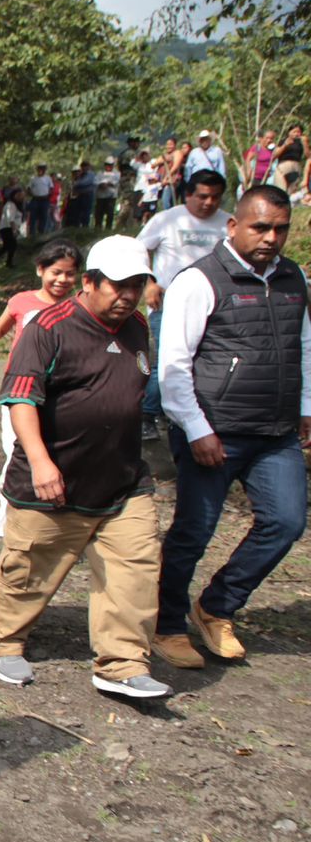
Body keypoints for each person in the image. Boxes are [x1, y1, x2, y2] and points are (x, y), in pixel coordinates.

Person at [0, 235, 171, 699]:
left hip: (122, 479)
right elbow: (20, 399)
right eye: (118, 286)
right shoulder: (49, 327)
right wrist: (42, 463)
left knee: (136, 570)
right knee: (30, 569)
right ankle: (5, 641)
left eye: (136, 285)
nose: (127, 295)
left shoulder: (137, 325)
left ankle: (122, 662)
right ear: (89, 282)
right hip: (54, 480)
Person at [152, 184, 309, 669]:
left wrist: (306, 404)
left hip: (276, 433)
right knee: (193, 532)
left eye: (280, 229)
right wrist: (196, 429)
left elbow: (304, 345)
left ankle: (217, 606)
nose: (270, 238)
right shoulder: (199, 281)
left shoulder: (293, 277)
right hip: (214, 431)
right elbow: (173, 366)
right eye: (260, 227)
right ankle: (166, 623)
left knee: (286, 522)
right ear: (234, 226)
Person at [0, 240, 85, 535]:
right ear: (40, 270)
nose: (62, 279)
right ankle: (6, 516)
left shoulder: (78, 309)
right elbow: (1, 327)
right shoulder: (21, 302)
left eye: (70, 273)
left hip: (59, 392)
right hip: (20, 391)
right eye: (56, 272)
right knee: (16, 449)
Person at [135, 169, 230, 437]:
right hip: (167, 303)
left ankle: (184, 415)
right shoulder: (167, 219)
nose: (209, 202)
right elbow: (139, 250)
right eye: (202, 196)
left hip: (214, 306)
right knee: (166, 360)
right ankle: (147, 414)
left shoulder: (228, 223)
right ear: (188, 195)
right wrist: (149, 282)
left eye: (215, 197)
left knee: (203, 360)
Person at [272, 123, 304, 194]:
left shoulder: (302, 142)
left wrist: (305, 143)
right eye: (294, 131)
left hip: (296, 167)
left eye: (298, 132)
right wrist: (285, 145)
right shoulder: (283, 141)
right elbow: (274, 155)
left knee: (291, 190)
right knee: (281, 189)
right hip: (283, 166)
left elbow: (307, 155)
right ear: (289, 132)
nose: (296, 134)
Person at [0, 190, 22, 268]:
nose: (21, 197)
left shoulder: (15, 205)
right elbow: (10, 218)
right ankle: (9, 262)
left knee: (7, 246)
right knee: (12, 245)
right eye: (18, 195)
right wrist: (14, 230)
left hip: (8, 228)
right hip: (7, 228)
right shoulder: (10, 205)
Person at [27, 164, 54, 236]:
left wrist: (48, 195)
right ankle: (32, 233)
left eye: (43, 169)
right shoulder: (33, 178)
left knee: (44, 216)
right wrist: (32, 194)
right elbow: (28, 188)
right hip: (35, 199)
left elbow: (51, 188)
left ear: (45, 170)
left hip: (45, 199)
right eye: (39, 169)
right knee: (33, 216)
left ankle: (41, 232)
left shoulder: (48, 178)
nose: (41, 170)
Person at [93, 157, 120, 230]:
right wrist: (101, 184)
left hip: (111, 196)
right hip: (101, 196)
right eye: (107, 164)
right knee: (99, 213)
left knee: (110, 213)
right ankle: (98, 228)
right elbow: (95, 182)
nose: (109, 166)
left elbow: (116, 182)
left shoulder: (116, 173)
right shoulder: (100, 173)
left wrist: (108, 184)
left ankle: (108, 228)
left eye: (110, 165)